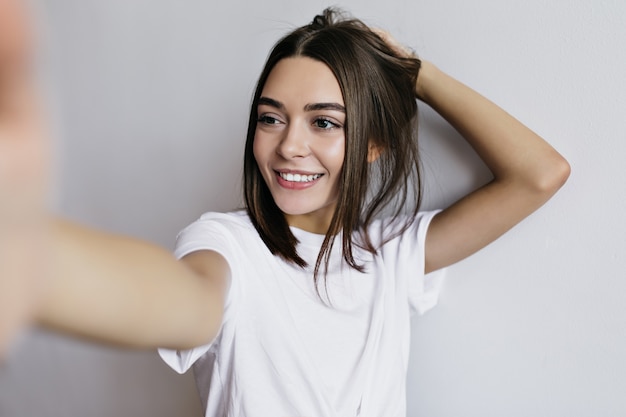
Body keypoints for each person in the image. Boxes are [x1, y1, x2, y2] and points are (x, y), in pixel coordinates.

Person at [2, 6, 570, 416]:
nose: (289, 146)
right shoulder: (228, 245)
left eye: (323, 122)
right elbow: (187, 301)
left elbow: (539, 174)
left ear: (374, 143)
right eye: (271, 118)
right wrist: (30, 264)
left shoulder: (390, 253)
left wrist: (415, 74)